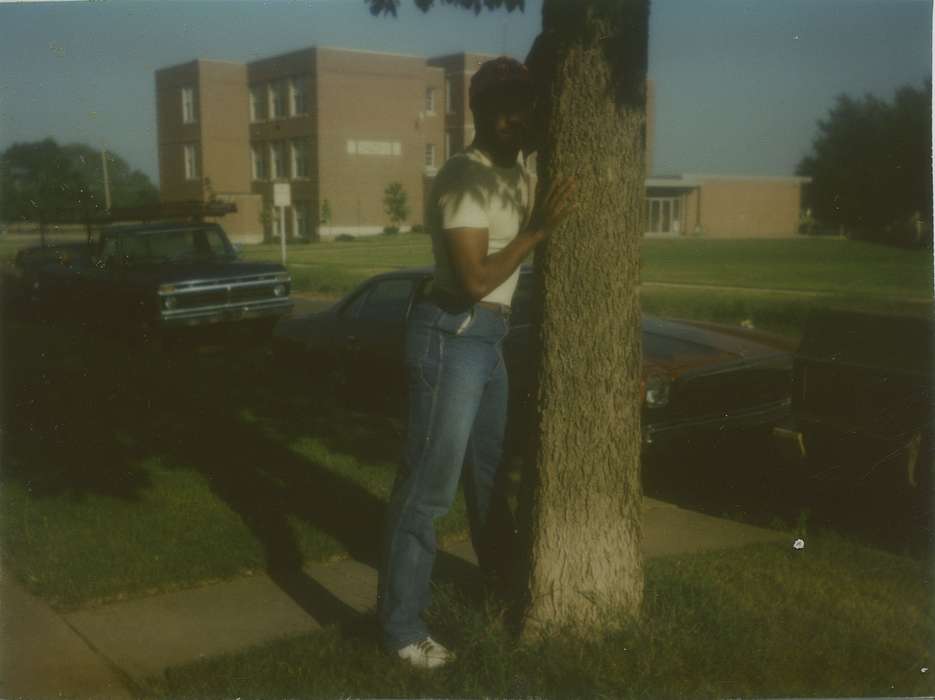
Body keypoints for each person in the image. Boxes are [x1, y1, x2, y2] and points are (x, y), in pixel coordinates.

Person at [377, 56, 574, 669]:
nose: (517, 118)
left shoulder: (520, 170)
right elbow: (472, 279)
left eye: (526, 105)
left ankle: (500, 591)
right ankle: (402, 630)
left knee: (490, 479)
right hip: (453, 332)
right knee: (427, 491)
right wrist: (537, 230)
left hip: (488, 340)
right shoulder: (465, 177)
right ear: (480, 112)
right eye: (503, 107)